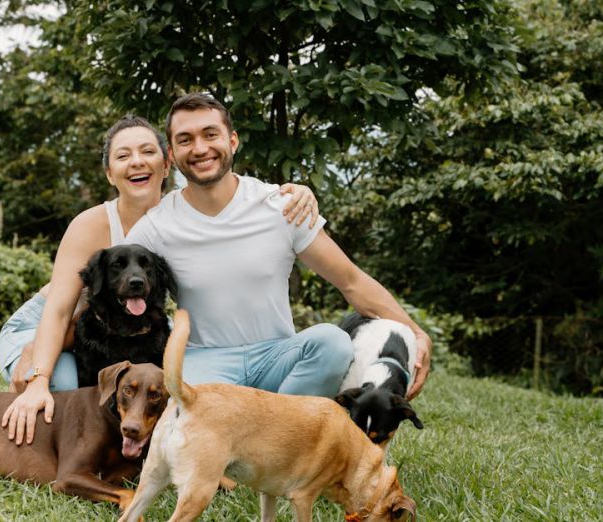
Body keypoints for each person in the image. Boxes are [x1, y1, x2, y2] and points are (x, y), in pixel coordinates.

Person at [0, 115, 320, 444]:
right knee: (68, 391)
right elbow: (60, 311)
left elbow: (237, 206)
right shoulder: (92, 224)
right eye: (123, 156)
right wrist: (39, 372)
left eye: (147, 152)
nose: (136, 162)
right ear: (110, 173)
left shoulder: (181, 216)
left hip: (127, 323)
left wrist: (298, 192)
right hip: (51, 320)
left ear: (166, 165)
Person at [124, 92, 432, 403]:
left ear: (232, 141)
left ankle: (276, 431)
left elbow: (351, 282)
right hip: (206, 362)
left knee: (333, 343)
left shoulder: (282, 207)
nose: (200, 148)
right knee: (180, 389)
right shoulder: (156, 226)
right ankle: (263, 437)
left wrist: (416, 333)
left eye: (210, 134)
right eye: (185, 139)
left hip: (278, 358)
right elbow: (112, 283)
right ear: (172, 156)